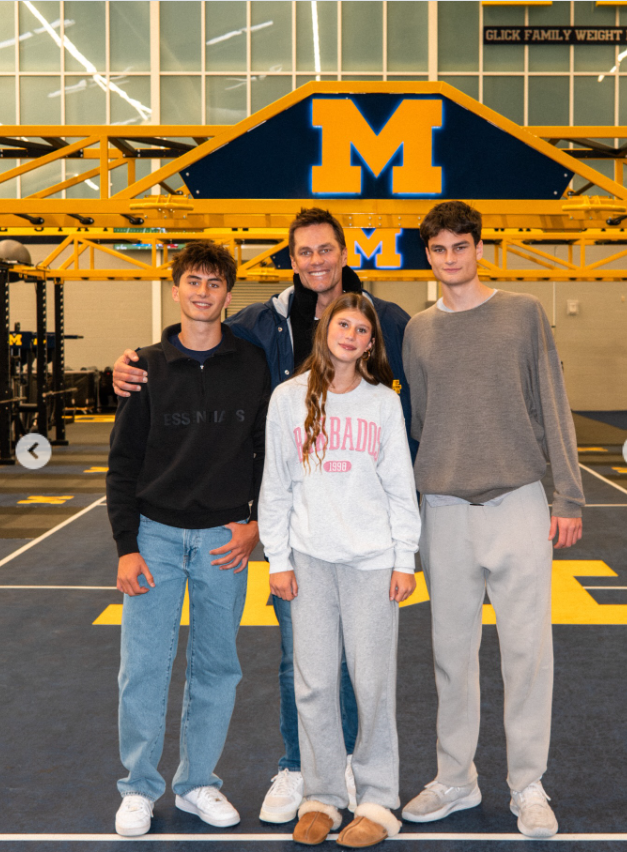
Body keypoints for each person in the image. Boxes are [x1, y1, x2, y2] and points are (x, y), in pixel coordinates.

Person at [111, 207, 415, 824]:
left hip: (335, 537)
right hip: (281, 536)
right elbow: (252, 439)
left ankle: (355, 775)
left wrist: (401, 542)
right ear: (292, 258)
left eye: (325, 250)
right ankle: (301, 769)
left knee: (346, 669)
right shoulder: (260, 330)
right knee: (296, 664)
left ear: (341, 250)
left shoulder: (390, 325)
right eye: (303, 252)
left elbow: (413, 404)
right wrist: (113, 376)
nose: (315, 261)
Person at [401, 201, 584, 839]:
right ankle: (455, 779)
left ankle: (527, 785)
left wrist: (569, 496)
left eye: (460, 246)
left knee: (527, 654)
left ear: (480, 248)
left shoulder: (524, 314)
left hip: (519, 503)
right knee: (451, 654)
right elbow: (421, 426)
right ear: (429, 255)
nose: (450, 258)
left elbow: (553, 404)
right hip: (445, 511)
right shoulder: (418, 331)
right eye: (438, 249)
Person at [107, 241, 270, 837]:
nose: (203, 292)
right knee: (144, 667)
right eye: (193, 282)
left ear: (229, 295)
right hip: (154, 537)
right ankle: (139, 787)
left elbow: (264, 453)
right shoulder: (144, 367)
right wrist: (126, 545)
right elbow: (122, 464)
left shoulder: (251, 365)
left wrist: (255, 525)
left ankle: (199, 781)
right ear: (176, 290)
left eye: (214, 283)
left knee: (217, 666)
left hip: (225, 541)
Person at [259, 292, 421, 847]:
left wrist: (405, 559)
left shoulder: (382, 404)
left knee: (373, 683)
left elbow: (402, 488)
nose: (351, 335)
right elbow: (275, 487)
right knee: (313, 682)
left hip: (373, 563)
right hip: (308, 562)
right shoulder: (287, 399)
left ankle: (377, 801)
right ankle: (322, 796)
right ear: (326, 329)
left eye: (362, 330)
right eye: (343, 324)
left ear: (371, 344)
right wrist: (278, 560)